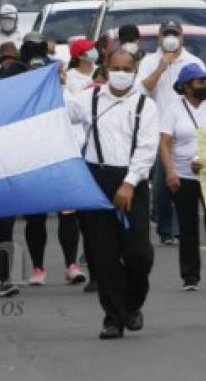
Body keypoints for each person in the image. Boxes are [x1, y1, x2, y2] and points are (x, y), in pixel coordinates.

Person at [67, 49, 157, 339]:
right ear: (106, 68)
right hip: (98, 179)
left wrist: (129, 183)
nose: (121, 73)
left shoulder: (145, 104)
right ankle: (113, 318)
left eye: (126, 68)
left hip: (133, 180)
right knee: (104, 256)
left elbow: (146, 149)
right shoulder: (89, 98)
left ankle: (132, 305)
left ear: (135, 70)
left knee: (138, 254)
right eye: (115, 67)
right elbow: (57, 113)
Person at [139, 21, 204, 244]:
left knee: (186, 182)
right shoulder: (149, 61)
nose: (170, 38)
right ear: (159, 38)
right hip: (159, 132)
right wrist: (161, 67)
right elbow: (142, 90)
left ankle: (178, 229)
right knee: (162, 184)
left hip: (187, 131)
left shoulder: (194, 62)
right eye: (166, 34)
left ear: (181, 38)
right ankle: (165, 227)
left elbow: (203, 94)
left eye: (174, 34)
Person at [160, 63, 206, 291]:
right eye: (200, 81)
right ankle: (190, 277)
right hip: (183, 175)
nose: (205, 85)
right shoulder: (173, 109)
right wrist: (170, 171)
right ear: (186, 87)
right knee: (188, 225)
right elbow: (164, 143)